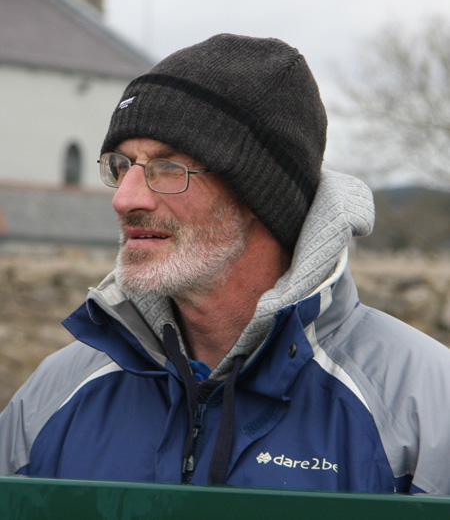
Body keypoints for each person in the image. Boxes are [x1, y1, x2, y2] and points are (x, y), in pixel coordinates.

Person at [1, 34, 449, 495]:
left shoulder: (421, 409)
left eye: (168, 167)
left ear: (259, 196)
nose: (124, 198)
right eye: (122, 165)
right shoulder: (55, 394)